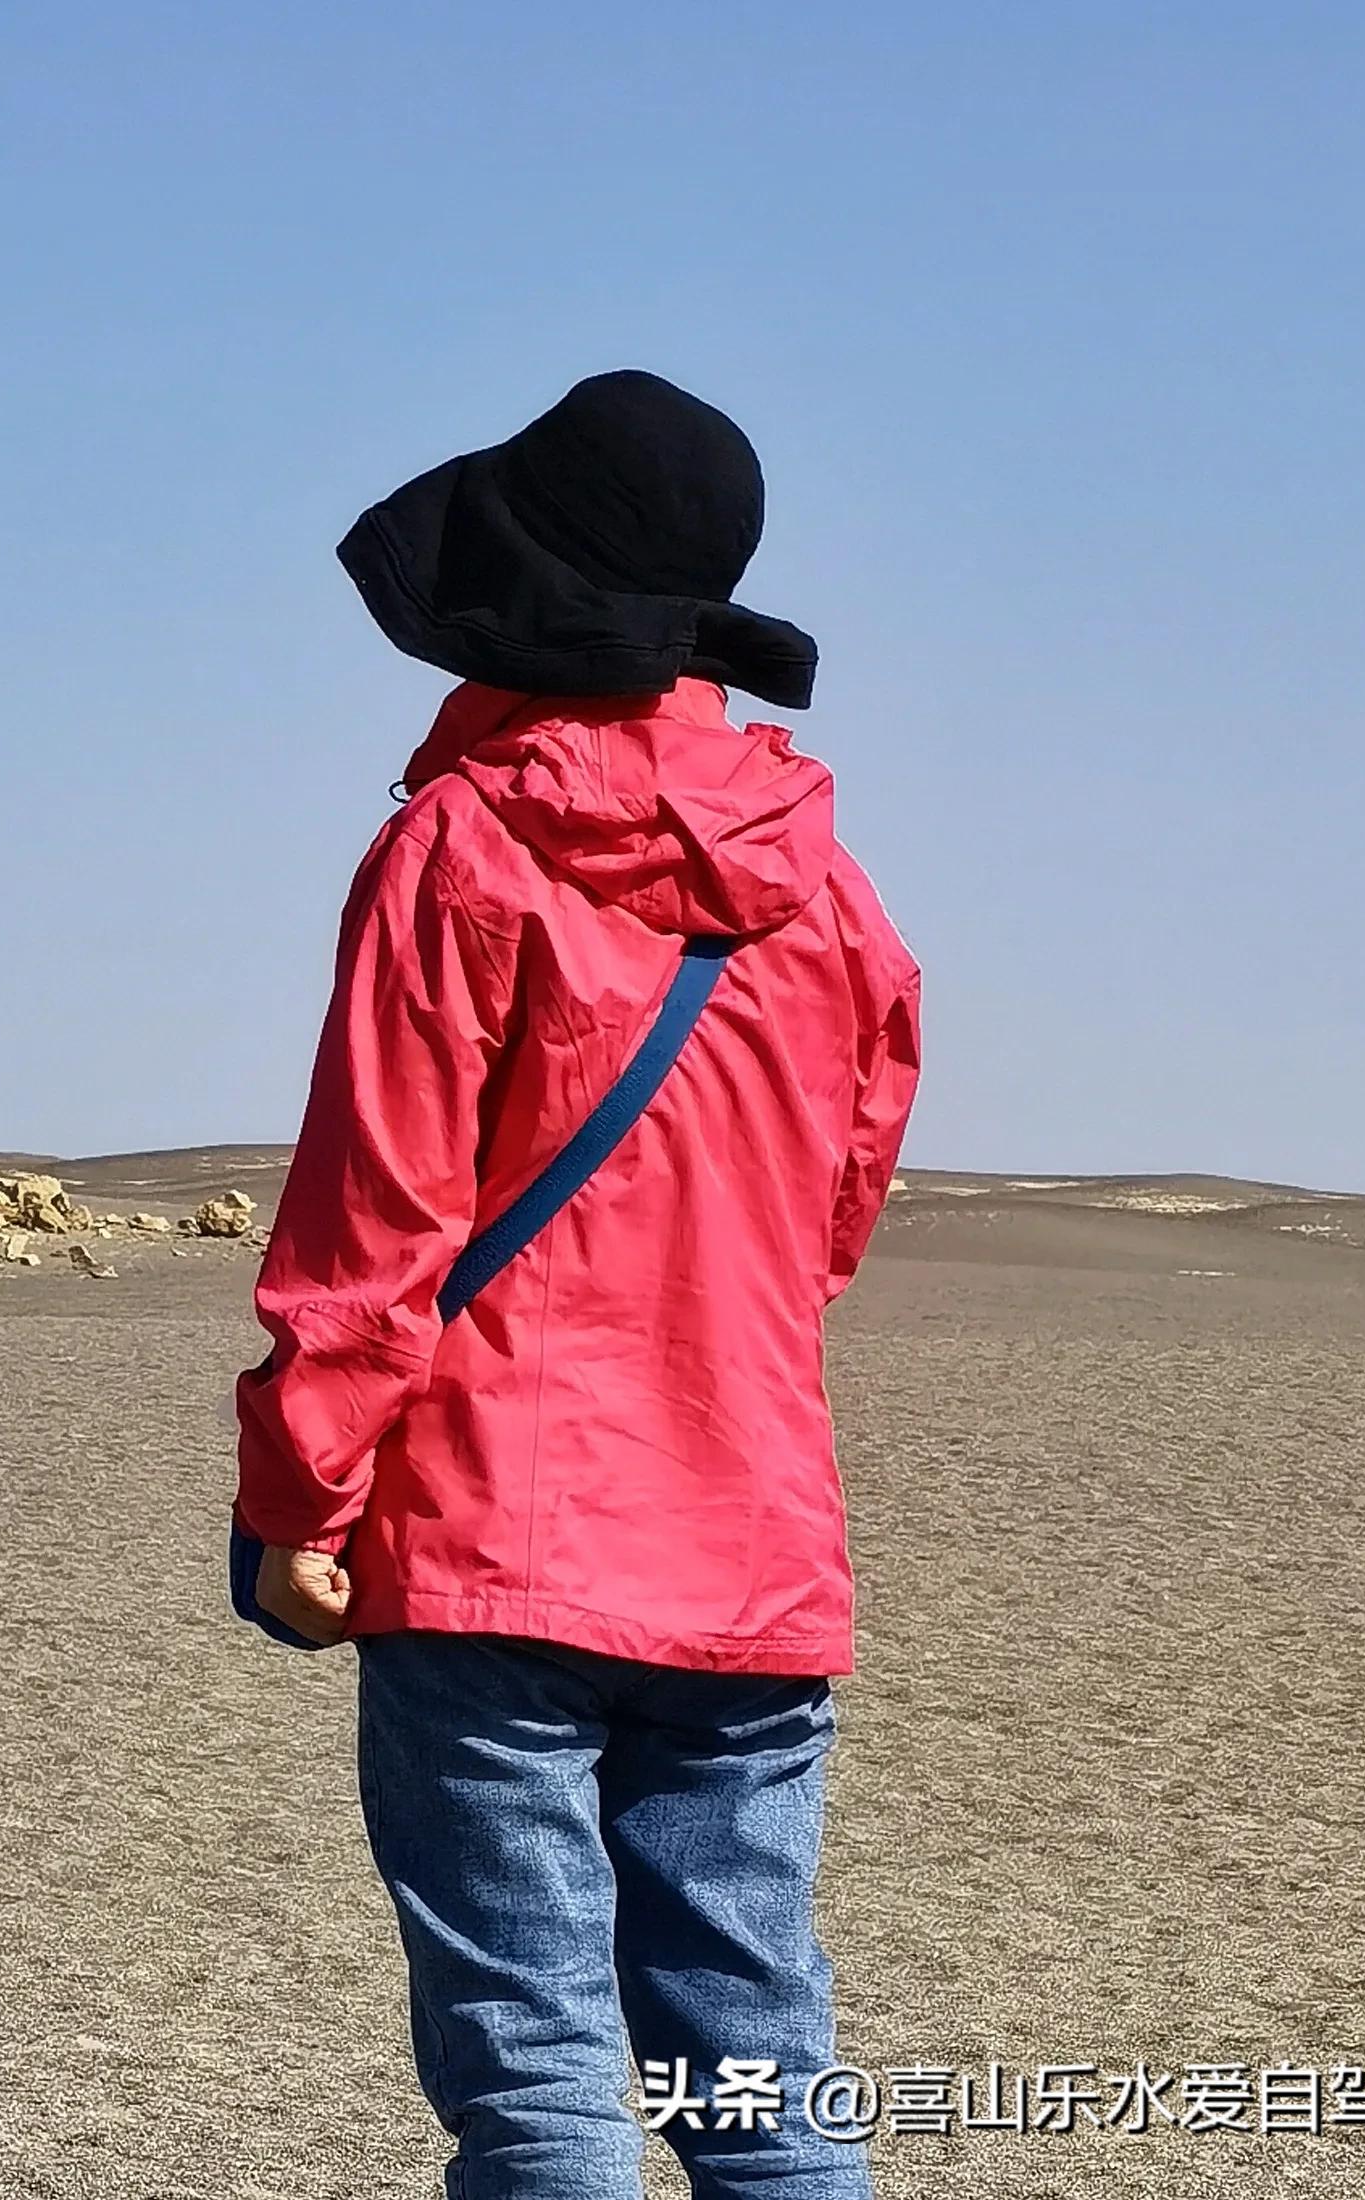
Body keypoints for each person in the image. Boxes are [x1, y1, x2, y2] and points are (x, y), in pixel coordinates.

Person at [230, 370, 921, 2199]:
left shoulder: (462, 845)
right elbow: (826, 1224)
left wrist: (299, 1493)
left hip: (490, 1541)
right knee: (756, 2076)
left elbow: (375, 1221)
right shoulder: (828, 887)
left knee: (538, 2086)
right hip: (753, 1541)